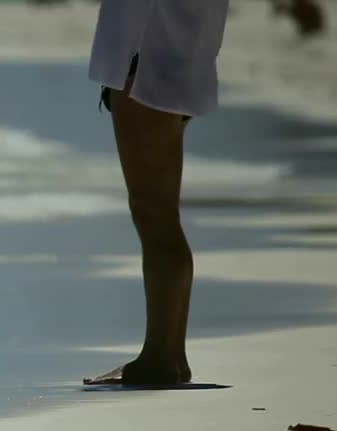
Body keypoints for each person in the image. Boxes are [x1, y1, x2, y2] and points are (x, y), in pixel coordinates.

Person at [83, 1, 230, 386]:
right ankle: (169, 353)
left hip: (147, 64)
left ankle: (160, 357)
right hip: (176, 60)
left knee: (155, 215)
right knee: (160, 215)